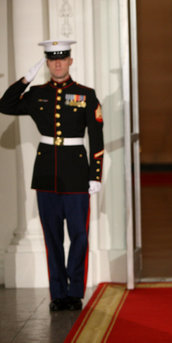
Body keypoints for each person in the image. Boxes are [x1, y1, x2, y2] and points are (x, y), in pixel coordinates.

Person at [0, 40, 104, 312]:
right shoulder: (36, 94)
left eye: (62, 58)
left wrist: (96, 176)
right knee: (52, 237)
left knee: (79, 236)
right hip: (46, 176)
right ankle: (58, 293)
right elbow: (5, 104)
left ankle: (75, 293)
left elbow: (96, 136)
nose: (58, 63)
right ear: (46, 64)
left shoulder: (85, 94)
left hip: (78, 176)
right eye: (52, 59)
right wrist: (25, 80)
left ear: (70, 61)